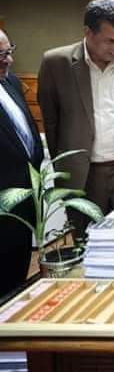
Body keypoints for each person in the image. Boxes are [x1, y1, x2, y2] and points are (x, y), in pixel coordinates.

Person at [37, 0, 114, 239]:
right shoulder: (56, 64)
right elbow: (51, 122)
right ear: (88, 33)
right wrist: (66, 165)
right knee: (87, 245)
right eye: (110, 41)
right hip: (83, 176)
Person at [0, 30, 44, 297]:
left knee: (17, 281)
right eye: (1, 55)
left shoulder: (11, 83)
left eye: (9, 51)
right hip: (3, 207)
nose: (9, 60)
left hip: (23, 206)